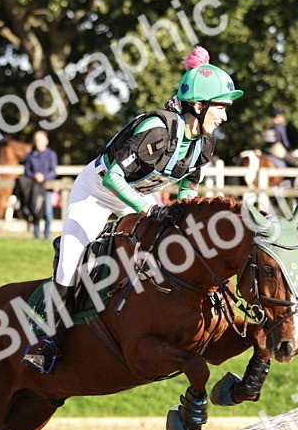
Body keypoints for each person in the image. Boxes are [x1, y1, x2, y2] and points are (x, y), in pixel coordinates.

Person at [21, 46, 242, 374]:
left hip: (141, 196)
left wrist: (181, 212)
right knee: (70, 263)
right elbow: (113, 177)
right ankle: (47, 342)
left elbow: (187, 188)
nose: (224, 116)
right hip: (97, 193)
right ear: (198, 105)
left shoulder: (204, 144)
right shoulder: (156, 129)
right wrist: (151, 211)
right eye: (221, 108)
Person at [20, 130, 58, 239]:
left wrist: (44, 176)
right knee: (35, 211)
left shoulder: (51, 154)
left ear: (46, 141)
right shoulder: (30, 156)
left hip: (47, 187)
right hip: (34, 188)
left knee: (48, 213)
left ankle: (47, 235)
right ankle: (36, 235)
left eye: (41, 141)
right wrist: (34, 176)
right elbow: (27, 171)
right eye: (37, 141)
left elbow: (53, 172)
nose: (38, 143)